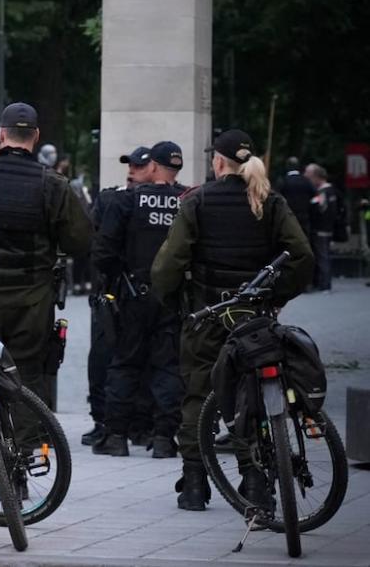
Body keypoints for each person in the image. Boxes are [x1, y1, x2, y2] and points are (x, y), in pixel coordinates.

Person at [152, 129, 313, 511]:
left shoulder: (197, 201)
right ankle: (255, 481)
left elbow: (167, 266)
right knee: (251, 397)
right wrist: (277, 296)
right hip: (254, 322)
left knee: (197, 396)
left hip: (206, 317)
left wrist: (177, 304)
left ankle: (194, 485)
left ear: (219, 162)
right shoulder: (269, 202)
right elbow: (302, 255)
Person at [0, 103, 91, 416]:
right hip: (32, 299)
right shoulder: (53, 185)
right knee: (26, 375)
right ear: (36, 136)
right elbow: (79, 241)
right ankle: (28, 449)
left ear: (1, 134)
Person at [90, 141, 186, 458]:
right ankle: (162, 438)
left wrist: (119, 278)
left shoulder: (125, 201)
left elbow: (102, 252)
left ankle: (116, 436)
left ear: (154, 166)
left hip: (132, 294)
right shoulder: (187, 202)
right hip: (172, 296)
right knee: (168, 366)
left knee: (124, 363)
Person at [82, 147, 154, 447]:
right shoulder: (110, 198)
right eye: (130, 165)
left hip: (142, 293)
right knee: (103, 359)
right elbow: (95, 240)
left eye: (139, 166)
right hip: (111, 291)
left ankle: (140, 423)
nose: (132, 170)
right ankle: (105, 421)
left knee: (143, 360)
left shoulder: (156, 202)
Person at [306, 163, 338, 291]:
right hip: (327, 229)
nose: (306, 177)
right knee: (324, 256)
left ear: (316, 177)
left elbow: (321, 210)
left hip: (321, 230)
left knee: (322, 257)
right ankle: (323, 283)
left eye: (309, 175)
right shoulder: (332, 191)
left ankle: (324, 284)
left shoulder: (323, 192)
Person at [275, 157, 314, 240]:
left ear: (287, 166)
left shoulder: (283, 181)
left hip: (288, 216)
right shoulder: (306, 181)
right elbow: (314, 196)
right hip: (304, 216)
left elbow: (277, 198)